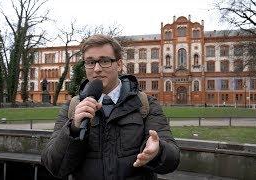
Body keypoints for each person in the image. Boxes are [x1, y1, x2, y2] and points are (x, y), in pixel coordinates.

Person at [41, 34, 180, 180]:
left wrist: (158, 151)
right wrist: (74, 129)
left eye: (105, 61)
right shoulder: (73, 107)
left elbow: (173, 160)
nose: (96, 69)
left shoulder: (146, 104)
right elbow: (54, 166)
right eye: (90, 62)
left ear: (119, 64)